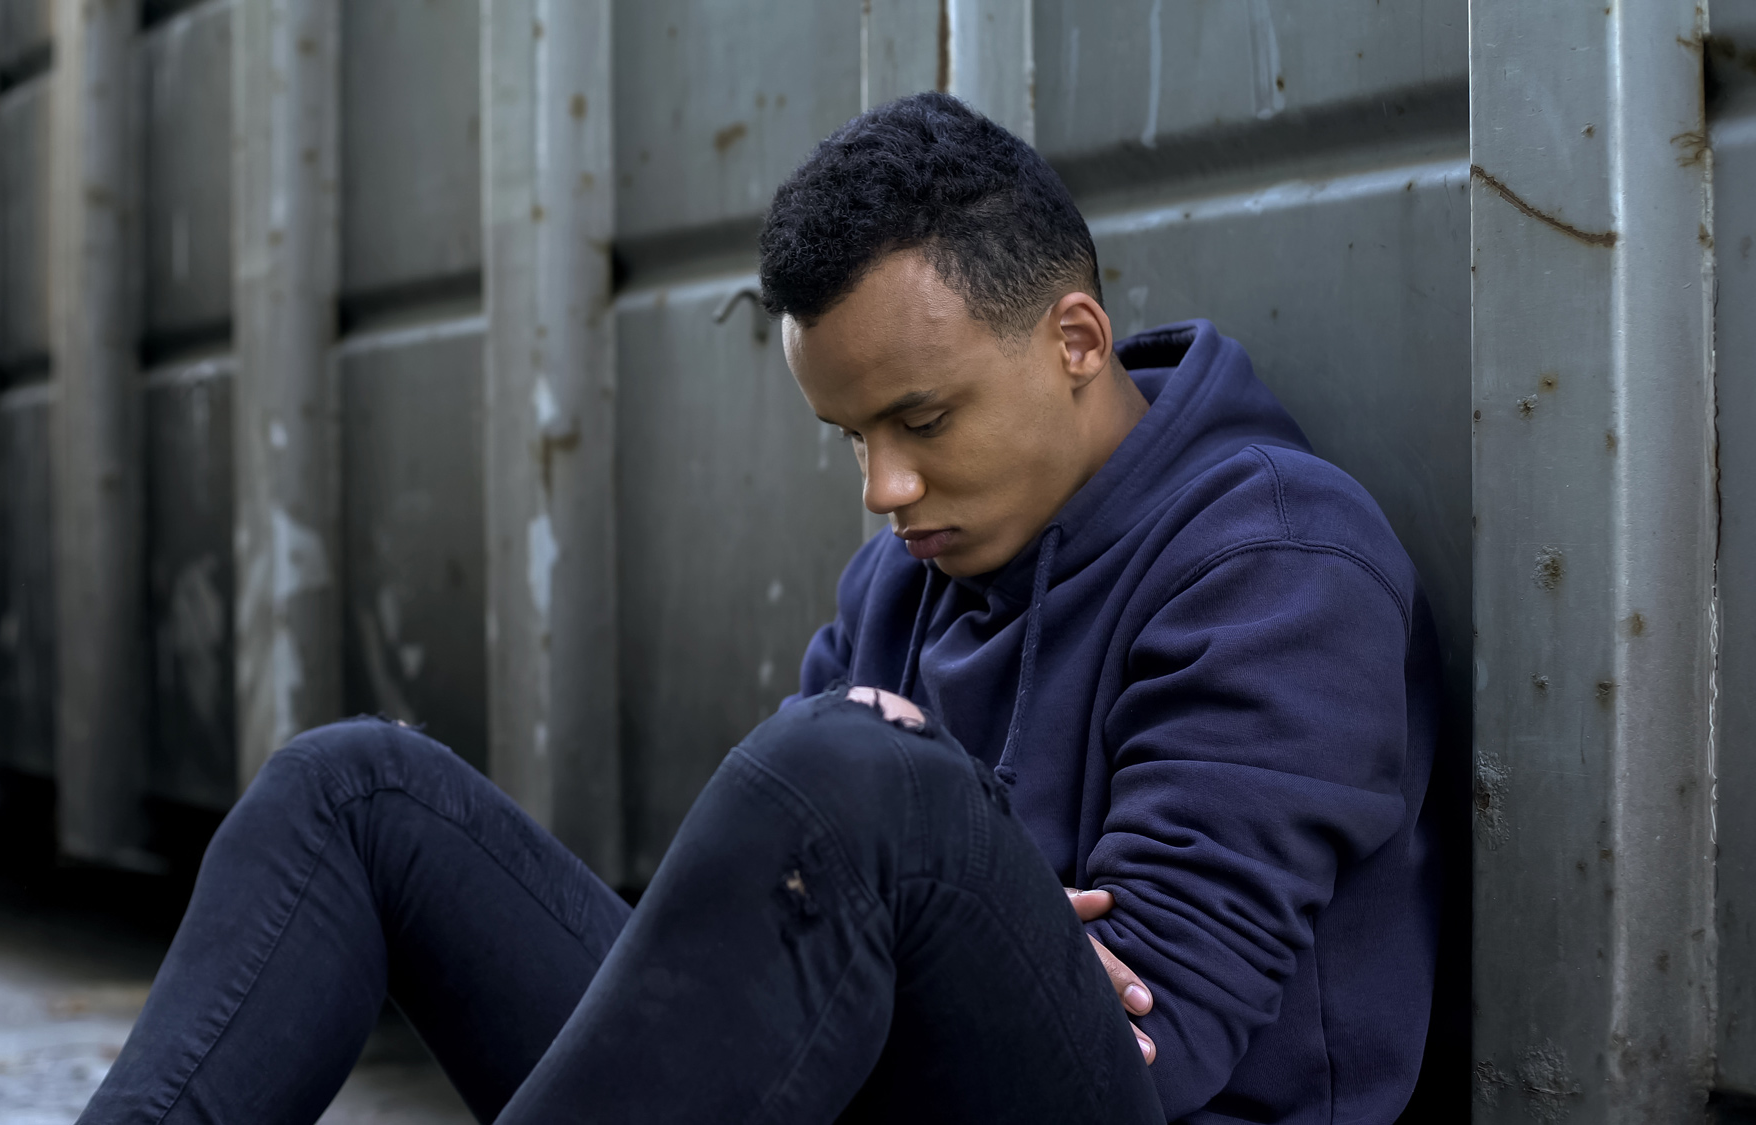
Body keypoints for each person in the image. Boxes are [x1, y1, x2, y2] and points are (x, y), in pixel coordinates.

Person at [78, 92, 1438, 1125]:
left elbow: (1155, 1035)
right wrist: (907, 869)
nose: (885, 487)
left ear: (1076, 342)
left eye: (919, 418)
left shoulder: (1277, 558)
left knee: (846, 772)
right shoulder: (915, 568)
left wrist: (902, 833)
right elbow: (793, 932)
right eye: (849, 436)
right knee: (353, 790)